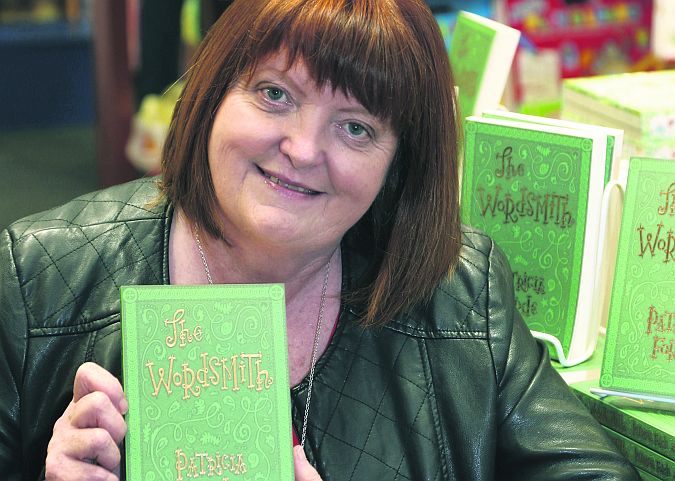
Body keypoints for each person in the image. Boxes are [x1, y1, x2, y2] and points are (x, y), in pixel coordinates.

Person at [0, 1, 639, 480]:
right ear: (213, 94)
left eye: (356, 129)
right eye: (275, 94)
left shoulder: (460, 294)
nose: (302, 150)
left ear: (400, 165)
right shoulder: (35, 280)